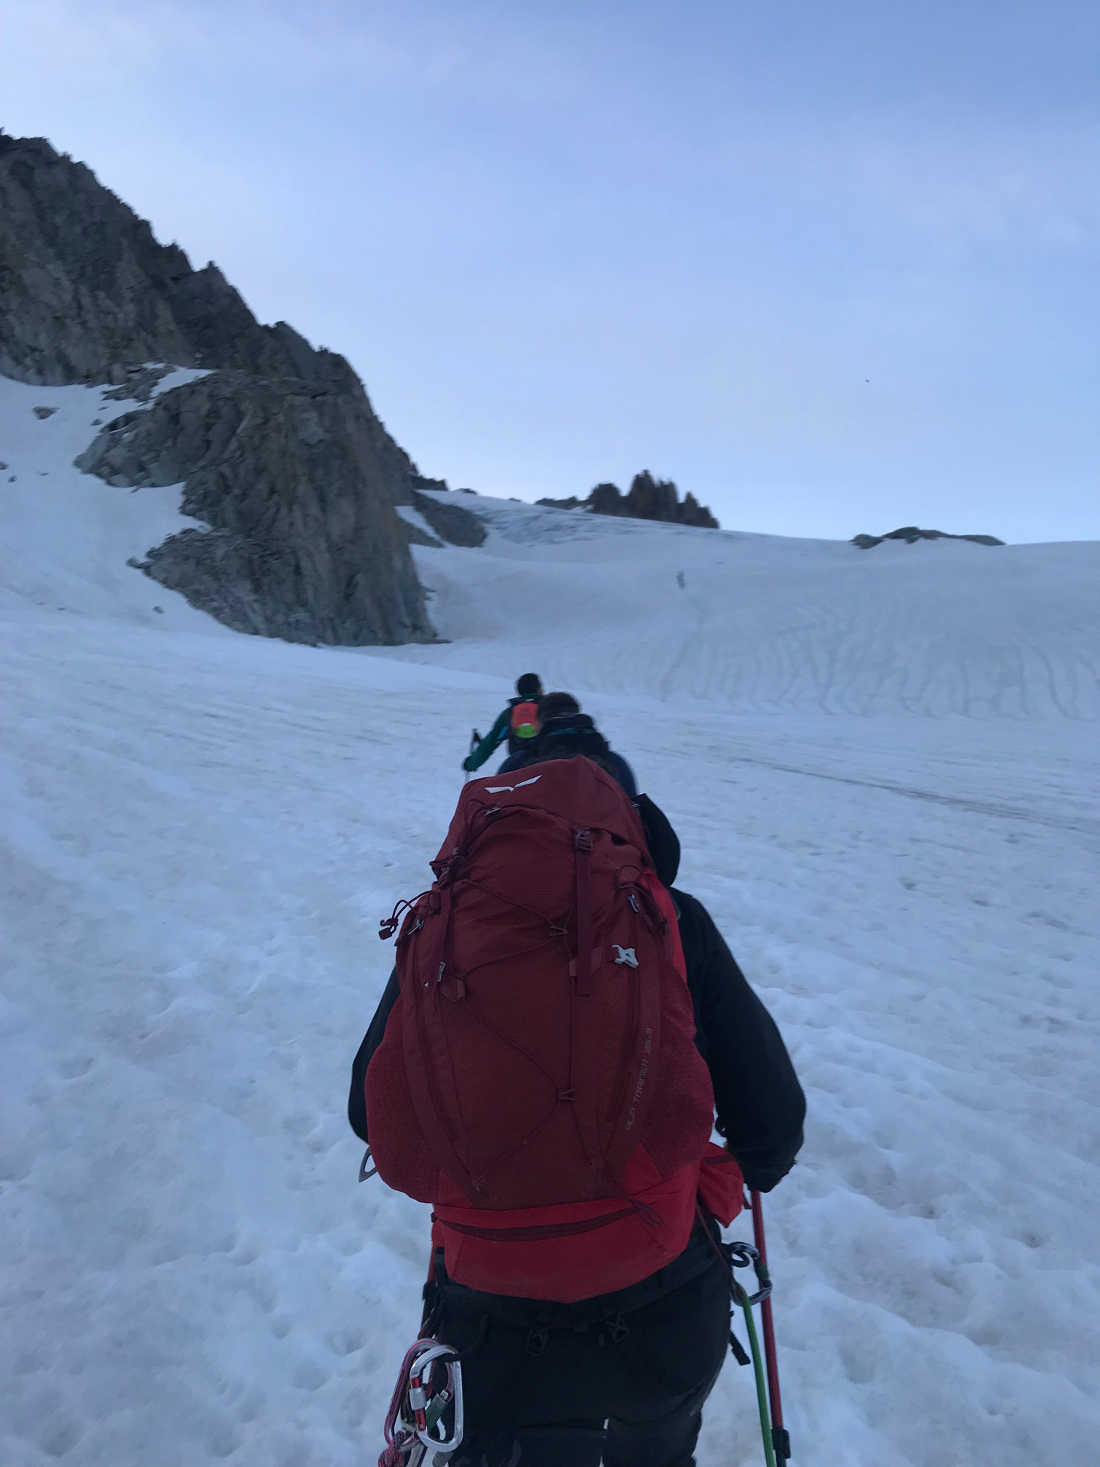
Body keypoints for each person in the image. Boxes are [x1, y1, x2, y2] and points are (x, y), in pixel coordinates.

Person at [348, 757, 805, 1467]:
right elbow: (773, 1129)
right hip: (663, 1316)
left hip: (486, 1331)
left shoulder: (444, 928)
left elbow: (365, 1113)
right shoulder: (672, 919)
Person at [497, 691, 638, 796]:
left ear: (539, 724)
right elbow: (635, 814)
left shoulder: (517, 762)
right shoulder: (614, 761)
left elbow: (493, 805)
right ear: (576, 715)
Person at [463, 673, 544, 772]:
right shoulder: (550, 708)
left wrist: (471, 764)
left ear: (519, 691)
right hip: (548, 765)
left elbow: (490, 743)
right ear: (539, 689)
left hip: (517, 768)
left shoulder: (509, 714)